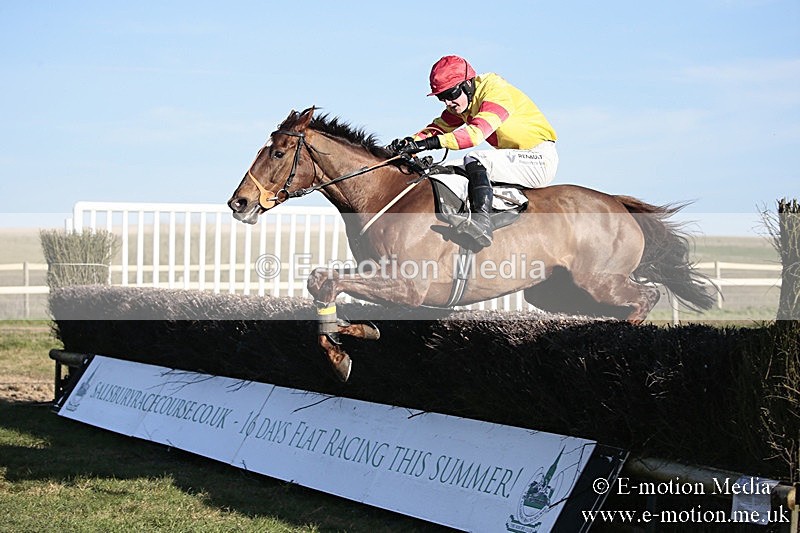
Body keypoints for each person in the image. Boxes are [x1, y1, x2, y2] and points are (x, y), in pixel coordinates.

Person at [389, 55, 558, 248]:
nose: (447, 103)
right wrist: (409, 142)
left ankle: (482, 223)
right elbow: (438, 127)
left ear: (467, 85)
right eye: (441, 98)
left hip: (538, 159)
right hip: (515, 159)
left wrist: (428, 145)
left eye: (450, 94)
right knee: (443, 169)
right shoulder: (464, 103)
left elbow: (475, 135)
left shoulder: (496, 91)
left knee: (476, 158)